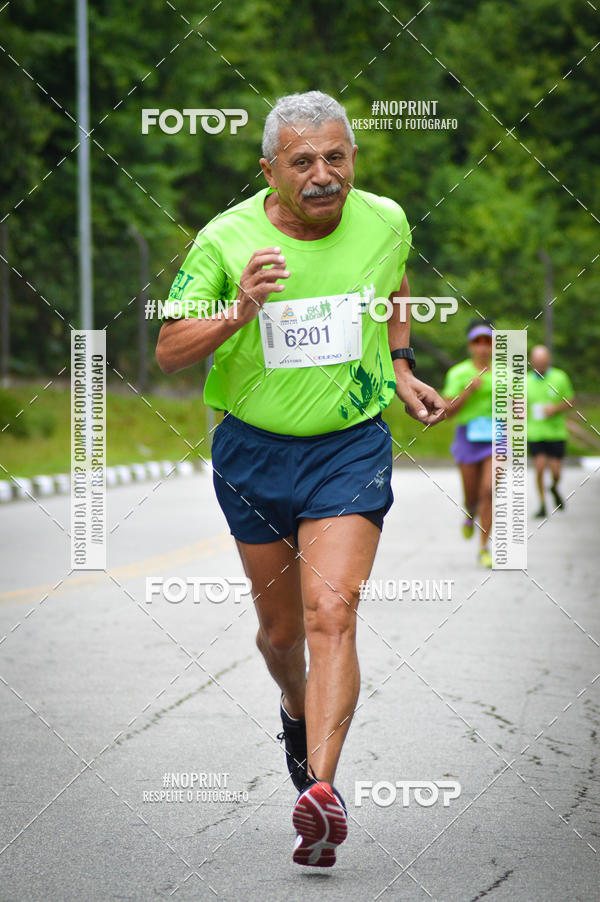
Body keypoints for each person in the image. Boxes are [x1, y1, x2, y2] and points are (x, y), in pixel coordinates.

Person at [155, 90, 446, 867]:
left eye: (336, 157)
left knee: (332, 612)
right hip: (253, 452)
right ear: (270, 171)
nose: (323, 175)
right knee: (283, 635)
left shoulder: (385, 220)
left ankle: (320, 792)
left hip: (349, 447)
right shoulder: (226, 239)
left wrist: (402, 365)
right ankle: (294, 703)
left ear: (354, 158)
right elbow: (169, 349)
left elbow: (394, 287)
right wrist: (237, 311)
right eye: (303, 161)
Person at [442, 320, 495, 568]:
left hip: (497, 438)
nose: (483, 347)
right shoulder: (458, 373)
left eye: (488, 342)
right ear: (470, 346)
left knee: (489, 490)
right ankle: (470, 512)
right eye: (478, 342)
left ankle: (484, 548)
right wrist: (468, 391)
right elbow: (447, 412)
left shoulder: (505, 374)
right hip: (467, 437)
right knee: (472, 495)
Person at [527, 345, 574, 517]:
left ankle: (554, 487)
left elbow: (570, 400)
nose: (540, 365)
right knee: (539, 468)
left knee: (555, 471)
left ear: (548, 361)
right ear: (532, 362)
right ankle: (542, 504)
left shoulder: (560, 377)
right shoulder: (524, 382)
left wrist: (555, 409)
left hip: (556, 432)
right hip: (535, 432)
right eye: (537, 362)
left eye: (543, 362)